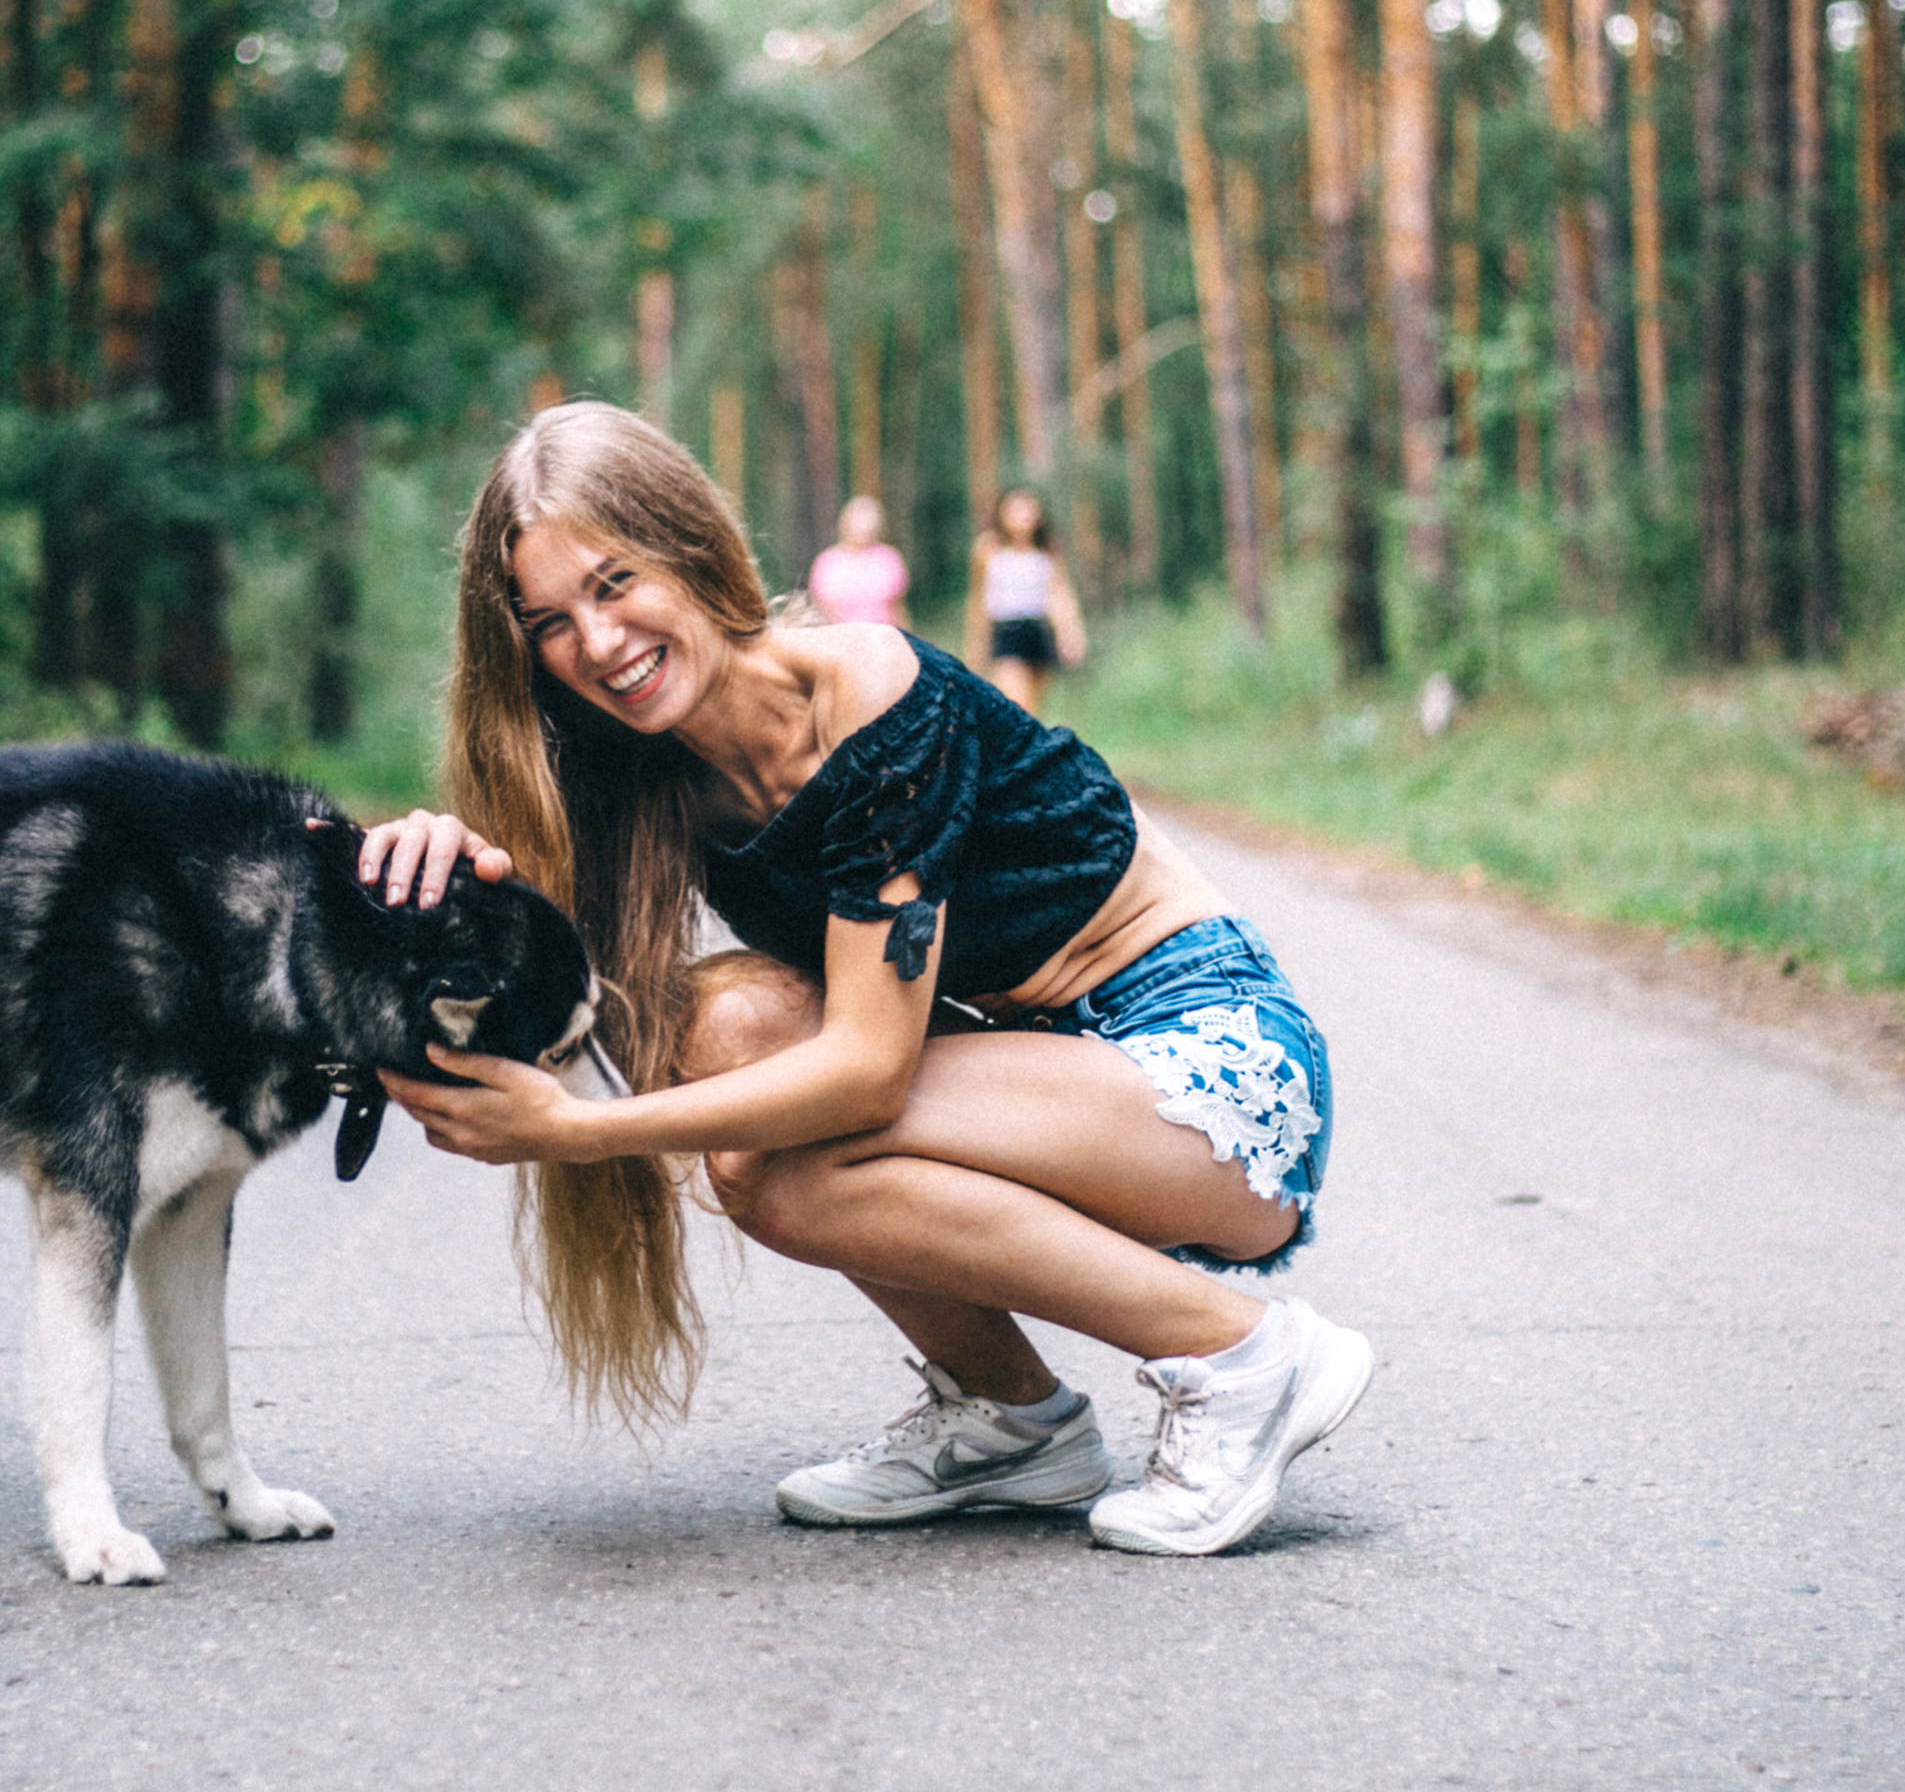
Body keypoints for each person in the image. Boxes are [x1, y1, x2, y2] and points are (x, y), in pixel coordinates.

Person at [360, 403, 1368, 1557]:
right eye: (548, 622)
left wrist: (581, 1131)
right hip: (1046, 1074)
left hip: (1213, 1063)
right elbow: (555, 981)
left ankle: (1245, 1356)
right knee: (727, 1028)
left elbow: (868, 1070)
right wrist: (445, 867)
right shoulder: (640, 765)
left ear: (688, 546)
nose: (596, 640)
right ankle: (1011, 1421)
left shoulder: (870, 693)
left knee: (778, 1159)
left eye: (614, 582)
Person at [969, 487, 1086, 716]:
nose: (1022, 516)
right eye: (1015, 510)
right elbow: (978, 599)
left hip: (1037, 630)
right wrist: (976, 644)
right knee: (1014, 706)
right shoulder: (988, 548)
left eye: (1027, 509)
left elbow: (1060, 595)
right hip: (1006, 632)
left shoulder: (1047, 549)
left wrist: (1070, 635)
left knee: (1032, 713)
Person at [806, 495, 910, 627]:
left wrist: (906, 636)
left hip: (883, 633)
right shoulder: (827, 563)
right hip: (840, 634)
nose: (864, 530)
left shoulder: (889, 559)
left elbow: (897, 608)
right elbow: (822, 609)